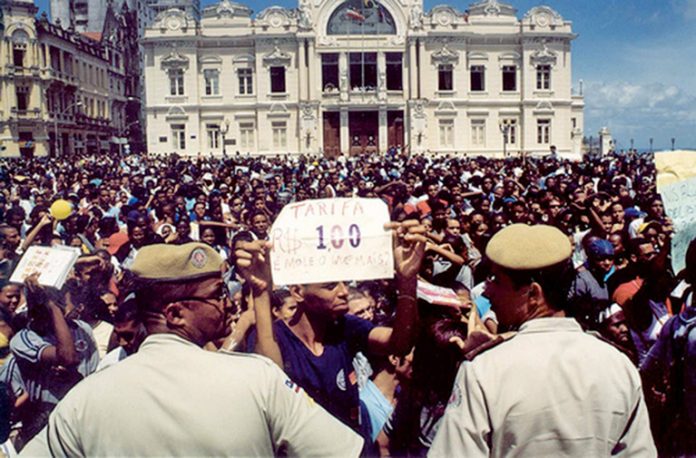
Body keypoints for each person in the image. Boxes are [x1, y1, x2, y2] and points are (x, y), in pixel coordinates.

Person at [27, 243, 363, 456]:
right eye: (216, 294)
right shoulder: (256, 379)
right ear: (175, 313)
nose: (227, 302)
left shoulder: (84, 400)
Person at [429, 224, 656, 457]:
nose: (487, 292)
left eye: (496, 280)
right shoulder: (618, 365)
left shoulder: (484, 371)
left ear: (534, 294)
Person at [236, 221, 425, 440]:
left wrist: (408, 280)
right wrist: (260, 290)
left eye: (343, 282)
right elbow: (270, 374)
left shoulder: (344, 326)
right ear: (298, 292)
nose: (344, 291)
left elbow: (399, 344)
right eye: (330, 286)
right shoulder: (276, 339)